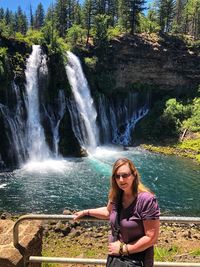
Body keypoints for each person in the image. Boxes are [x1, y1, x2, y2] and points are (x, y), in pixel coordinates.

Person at [74, 158, 160, 267]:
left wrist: (122, 249)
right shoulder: (117, 195)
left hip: (137, 261)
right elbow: (108, 212)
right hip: (116, 260)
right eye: (117, 176)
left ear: (134, 175)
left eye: (125, 175)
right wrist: (86, 212)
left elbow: (151, 238)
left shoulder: (146, 200)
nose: (121, 180)